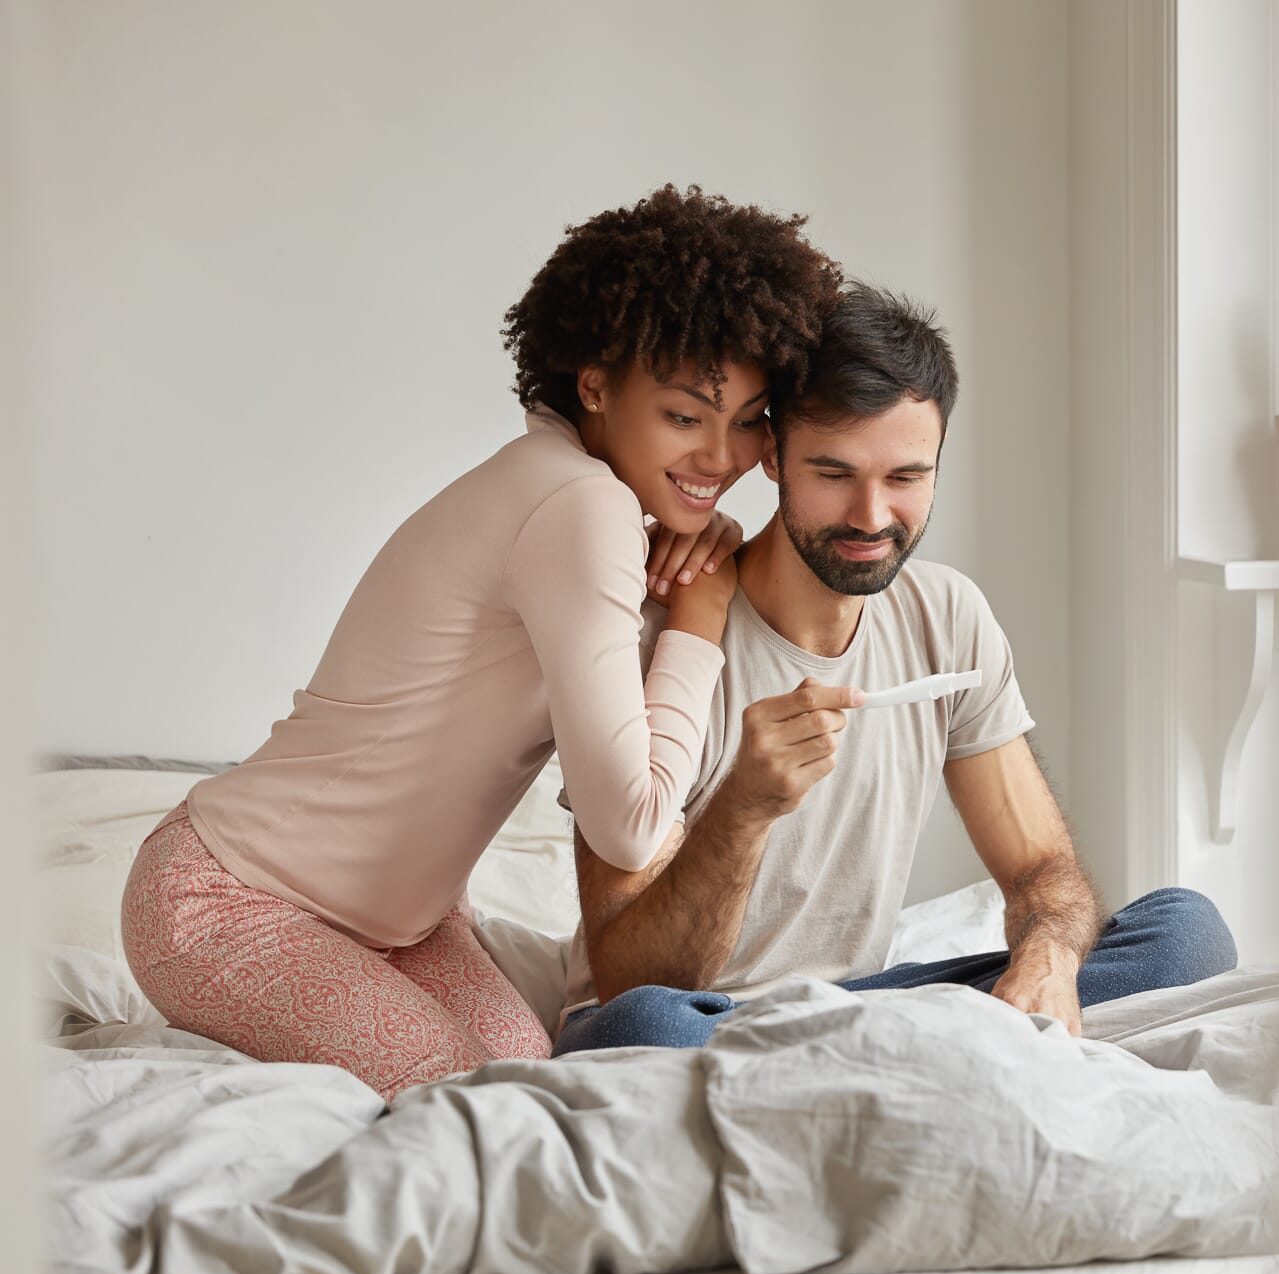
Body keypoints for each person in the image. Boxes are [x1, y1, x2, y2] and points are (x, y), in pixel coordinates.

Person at [120, 185, 840, 1099]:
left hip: (406, 924)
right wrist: (699, 618)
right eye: (685, 415)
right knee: (480, 1106)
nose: (720, 458)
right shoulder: (579, 505)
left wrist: (690, 582)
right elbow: (630, 822)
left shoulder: (580, 493)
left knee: (531, 1081)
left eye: (747, 421)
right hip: (225, 899)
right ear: (594, 385)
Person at [554, 285, 1237, 1053]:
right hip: (702, 1021)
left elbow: (1042, 867)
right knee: (640, 1025)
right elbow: (629, 978)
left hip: (857, 1007)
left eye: (906, 477)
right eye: (834, 472)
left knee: (1185, 932)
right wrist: (742, 807)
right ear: (773, 453)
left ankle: (885, 1054)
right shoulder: (659, 631)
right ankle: (919, 1053)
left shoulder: (946, 616)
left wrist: (1046, 955)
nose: (872, 517)